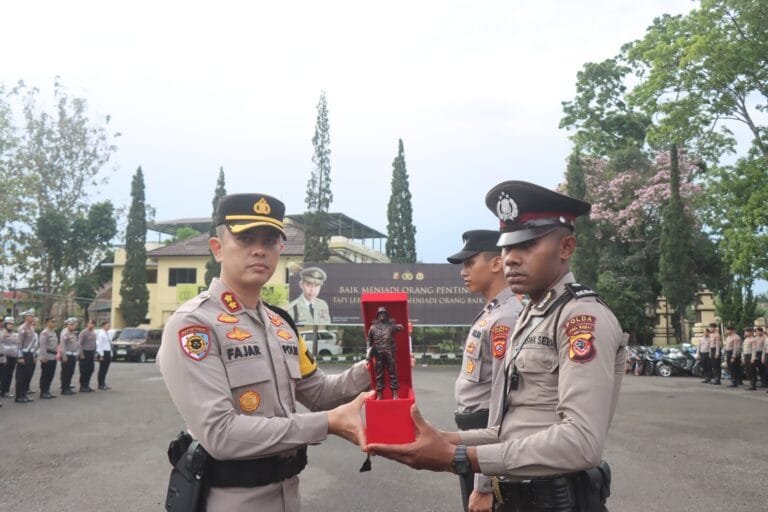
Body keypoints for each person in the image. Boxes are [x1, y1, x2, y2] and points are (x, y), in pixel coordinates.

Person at [368, 181, 626, 512]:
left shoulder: (582, 319)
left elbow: (580, 443)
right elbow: (509, 431)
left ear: (566, 247)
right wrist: (444, 439)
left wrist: (458, 457)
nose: (512, 259)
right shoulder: (532, 315)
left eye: (528, 245)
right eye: (507, 247)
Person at [157, 193, 371, 512]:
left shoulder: (281, 324)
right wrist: (326, 423)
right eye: (245, 238)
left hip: (288, 494)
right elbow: (220, 433)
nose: (259, 249)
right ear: (217, 247)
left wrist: (373, 366)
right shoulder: (194, 325)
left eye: (270, 240)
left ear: (280, 250)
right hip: (229, 500)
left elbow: (320, 393)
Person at [447, 229, 522, 512]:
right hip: (474, 438)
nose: (463, 272)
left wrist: (485, 483)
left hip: (485, 439)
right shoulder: (493, 312)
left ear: (495, 263)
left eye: (469, 263)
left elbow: (502, 405)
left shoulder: (507, 317)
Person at [367, 306, 403, 400]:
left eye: (384, 314)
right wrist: (369, 353)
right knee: (379, 374)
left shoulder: (391, 326)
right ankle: (379, 394)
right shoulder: (373, 328)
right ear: (377, 316)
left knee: (393, 373)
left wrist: (398, 326)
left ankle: (395, 394)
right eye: (380, 314)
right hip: (378, 354)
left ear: (387, 315)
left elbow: (401, 328)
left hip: (389, 353)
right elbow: (369, 340)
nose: (382, 315)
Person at [15, 309, 38, 403]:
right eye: (30, 316)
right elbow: (18, 344)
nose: (32, 317)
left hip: (30, 354)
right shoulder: (22, 328)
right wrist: (20, 357)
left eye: (33, 316)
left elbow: (33, 344)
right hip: (23, 354)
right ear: (25, 317)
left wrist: (34, 355)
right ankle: (19, 396)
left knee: (28, 375)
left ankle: (24, 394)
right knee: (21, 376)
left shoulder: (32, 328)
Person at [38, 316, 59, 399]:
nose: (54, 323)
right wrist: (44, 356)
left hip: (53, 357)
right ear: (47, 323)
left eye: (54, 321)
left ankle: (47, 390)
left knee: (50, 375)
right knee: (45, 375)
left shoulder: (53, 332)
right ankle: (43, 392)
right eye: (52, 321)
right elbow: (42, 346)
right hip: (47, 356)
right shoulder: (45, 333)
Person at [59, 318, 79, 395]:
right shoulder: (65, 333)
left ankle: (68, 386)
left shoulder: (73, 333)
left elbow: (75, 344)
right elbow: (62, 346)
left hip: (72, 355)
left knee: (71, 372)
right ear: (68, 325)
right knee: (66, 372)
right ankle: (64, 389)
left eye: (74, 324)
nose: (74, 326)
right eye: (72, 324)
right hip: (67, 355)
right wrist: (64, 356)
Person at [0, 316, 18, 399]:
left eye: (12, 324)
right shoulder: (2, 333)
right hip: (5, 357)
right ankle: (3, 391)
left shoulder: (15, 334)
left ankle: (6, 390)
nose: (11, 325)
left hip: (13, 357)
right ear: (5, 324)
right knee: (4, 375)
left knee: (10, 375)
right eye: (9, 324)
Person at [78, 319, 97, 392]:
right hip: (85, 353)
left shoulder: (94, 333)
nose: (91, 325)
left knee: (90, 369)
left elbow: (94, 344)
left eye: (92, 324)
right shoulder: (83, 333)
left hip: (91, 353)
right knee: (84, 370)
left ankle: (87, 385)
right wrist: (81, 353)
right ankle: (82, 386)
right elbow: (80, 344)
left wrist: (95, 353)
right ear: (87, 324)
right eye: (89, 323)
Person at [96, 320, 113, 390]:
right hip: (103, 352)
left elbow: (109, 344)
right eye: (107, 325)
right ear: (103, 326)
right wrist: (101, 355)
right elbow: (100, 345)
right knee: (102, 369)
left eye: (109, 325)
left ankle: (103, 383)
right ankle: (100, 384)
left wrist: (111, 353)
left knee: (105, 369)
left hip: (108, 352)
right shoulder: (101, 334)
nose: (108, 327)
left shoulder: (108, 333)